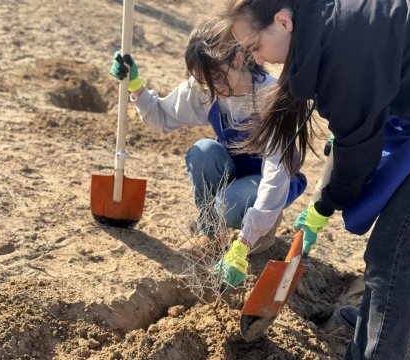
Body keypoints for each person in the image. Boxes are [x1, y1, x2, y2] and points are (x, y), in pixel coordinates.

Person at [223, 0, 410, 359]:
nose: (257, 59)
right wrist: (327, 198)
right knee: (405, 244)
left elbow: (358, 148)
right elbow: (349, 132)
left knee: (397, 247)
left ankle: (378, 350)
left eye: (255, 47)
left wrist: (326, 202)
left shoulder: (341, 48)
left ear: (283, 22)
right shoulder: (321, 28)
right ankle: (380, 329)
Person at [110, 17, 307, 284]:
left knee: (230, 203)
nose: (212, 90)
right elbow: (162, 117)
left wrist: (243, 243)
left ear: (238, 58)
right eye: (203, 81)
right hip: (235, 171)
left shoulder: (271, 97)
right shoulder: (206, 87)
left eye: (215, 78)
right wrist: (135, 86)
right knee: (203, 152)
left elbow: (276, 174)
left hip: (270, 182)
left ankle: (260, 234)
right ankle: (212, 234)